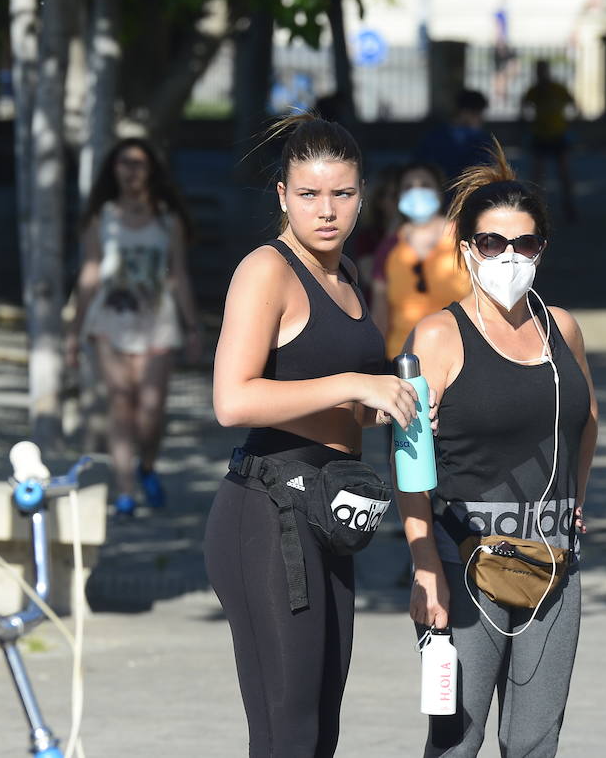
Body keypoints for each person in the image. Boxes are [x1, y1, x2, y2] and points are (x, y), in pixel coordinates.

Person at [204, 112, 418, 757]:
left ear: (362, 195)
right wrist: (355, 385)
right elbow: (231, 399)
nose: (327, 211)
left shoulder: (348, 274)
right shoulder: (266, 270)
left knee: (322, 727)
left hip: (330, 510)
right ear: (283, 196)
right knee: (287, 732)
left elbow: (330, 396)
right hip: (267, 513)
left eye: (342, 194)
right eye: (309, 194)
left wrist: (378, 408)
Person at [399, 143, 598, 757]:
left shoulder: (560, 328)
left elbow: (587, 421)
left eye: (525, 244)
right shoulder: (438, 336)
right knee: (456, 742)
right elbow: (409, 464)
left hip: (552, 568)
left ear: (542, 250)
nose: (508, 257)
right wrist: (424, 566)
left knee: (535, 743)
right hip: (466, 569)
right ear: (465, 249)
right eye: (492, 243)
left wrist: (577, 502)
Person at [68, 137, 201, 519]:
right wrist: (74, 333)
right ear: (114, 168)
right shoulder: (102, 217)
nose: (131, 170)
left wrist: (192, 328)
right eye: (124, 162)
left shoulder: (167, 219)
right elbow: (90, 272)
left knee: (151, 408)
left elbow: (178, 274)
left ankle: (146, 465)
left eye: (139, 163)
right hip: (110, 322)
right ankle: (125, 489)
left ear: (151, 171)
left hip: (156, 325)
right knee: (120, 404)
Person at [369, 162, 470, 359]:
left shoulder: (463, 238)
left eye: (424, 185)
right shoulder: (389, 247)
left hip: (459, 357)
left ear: (439, 193)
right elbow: (380, 314)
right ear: (399, 197)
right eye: (408, 187)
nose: (417, 192)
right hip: (402, 361)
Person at [520, 60, 580, 222]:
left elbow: (573, 104)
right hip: (541, 135)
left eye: (542, 70)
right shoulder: (534, 91)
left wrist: (569, 123)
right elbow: (523, 106)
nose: (540, 74)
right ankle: (536, 210)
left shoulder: (557, 89)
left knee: (564, 173)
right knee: (538, 175)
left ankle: (569, 206)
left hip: (557, 134)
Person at [415, 89, 493, 186]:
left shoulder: (482, 140)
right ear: (465, 112)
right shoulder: (435, 138)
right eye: (477, 115)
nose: (481, 120)